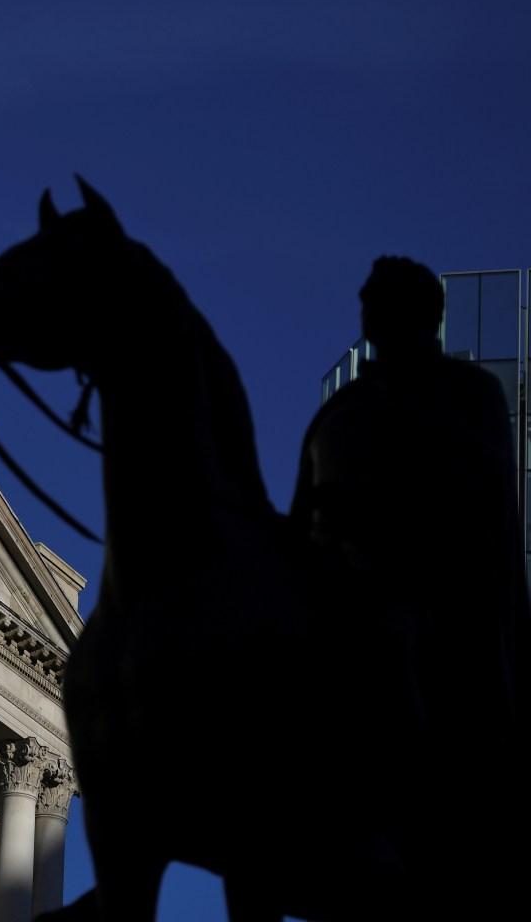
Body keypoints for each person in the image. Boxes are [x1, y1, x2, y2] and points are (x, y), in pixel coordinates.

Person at [290, 256, 530, 917]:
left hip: (437, 607)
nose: (366, 312)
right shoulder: (339, 413)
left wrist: (380, 520)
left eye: (379, 302)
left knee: (390, 639)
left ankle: (388, 825)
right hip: (340, 608)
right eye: (366, 302)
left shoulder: (468, 394)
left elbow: (481, 514)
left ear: (419, 313)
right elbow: (294, 534)